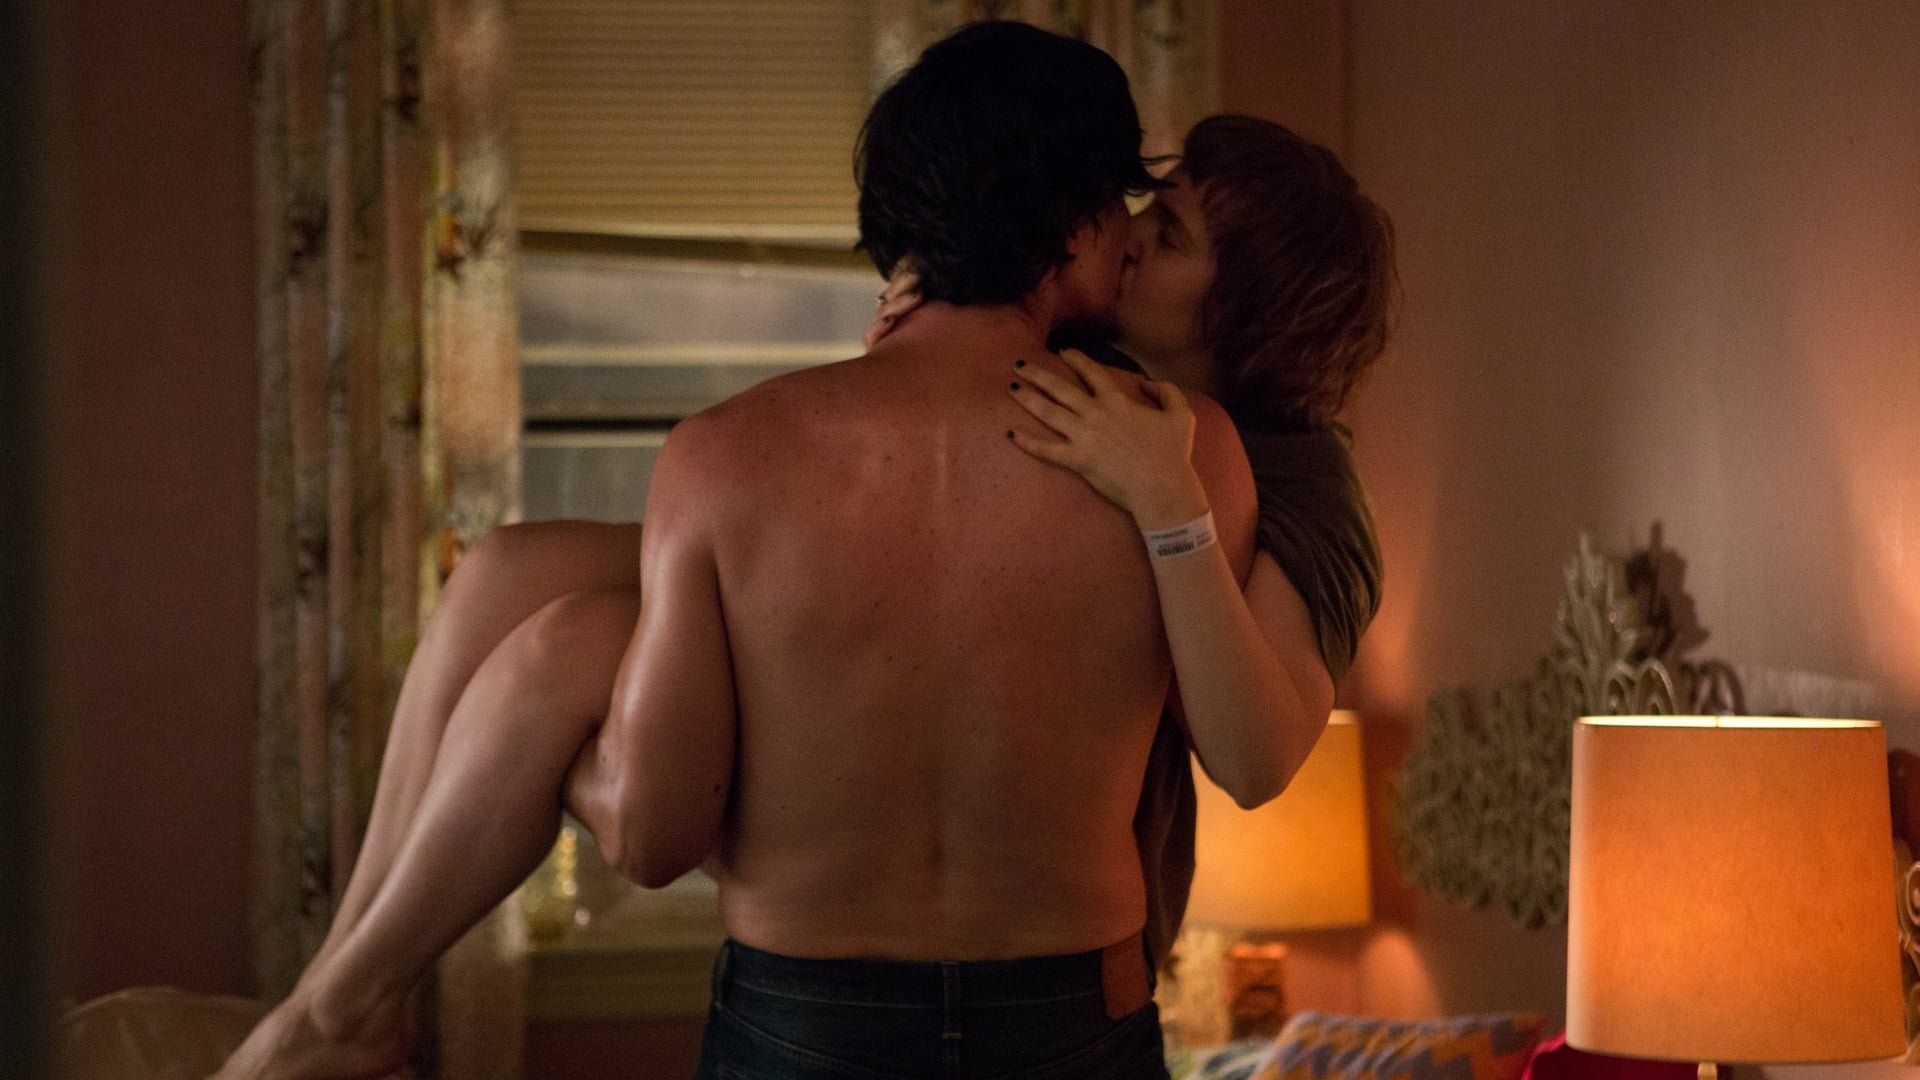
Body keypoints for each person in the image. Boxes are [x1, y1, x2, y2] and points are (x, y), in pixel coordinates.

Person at [216, 29, 1393, 1080]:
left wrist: (1171, 504)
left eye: (1167, 232)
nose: (1131, 234)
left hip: (896, 987)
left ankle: (341, 1003)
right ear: (1063, 229)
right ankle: (338, 992)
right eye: (1129, 208)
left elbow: (1255, 754)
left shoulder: (1283, 476)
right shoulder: (1141, 398)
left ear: (1241, 316)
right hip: (1048, 975)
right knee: (504, 574)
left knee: (570, 644)